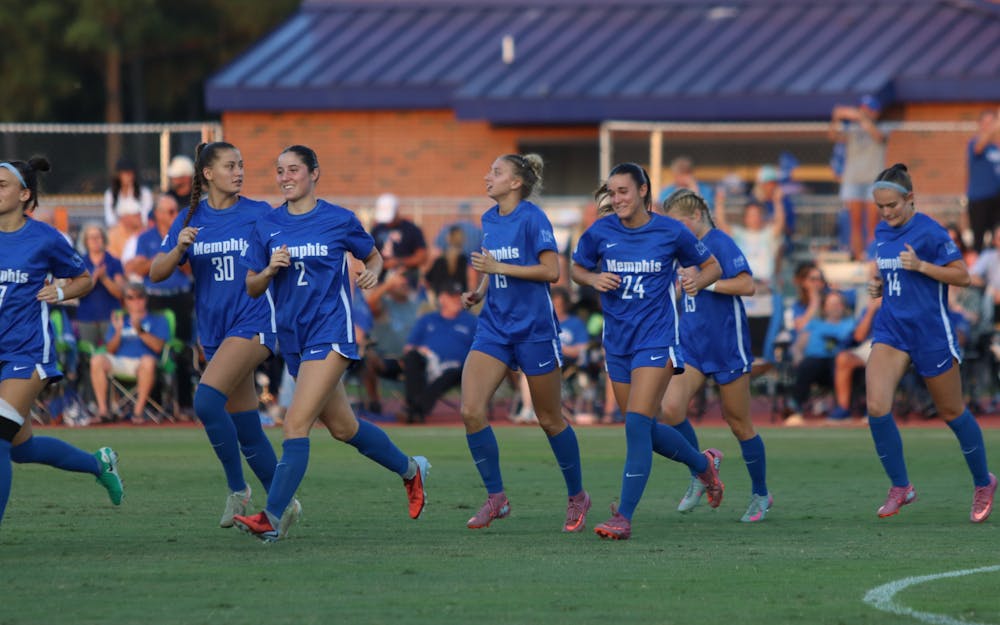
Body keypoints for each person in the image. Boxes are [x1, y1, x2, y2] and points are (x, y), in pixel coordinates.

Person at [234, 145, 429, 542]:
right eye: (279, 171)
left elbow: (373, 257)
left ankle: (272, 517)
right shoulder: (268, 225)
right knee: (344, 428)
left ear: (314, 174)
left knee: (295, 423)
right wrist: (270, 269)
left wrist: (372, 274)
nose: (285, 177)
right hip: (293, 337)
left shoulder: (339, 220)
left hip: (331, 332)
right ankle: (411, 470)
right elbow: (252, 286)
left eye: (293, 170)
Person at [571, 162, 724, 540]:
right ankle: (702, 464)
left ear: (643, 191)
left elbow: (712, 266)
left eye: (623, 191)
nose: (617, 199)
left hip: (656, 339)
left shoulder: (670, 230)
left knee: (638, 425)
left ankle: (623, 516)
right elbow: (575, 269)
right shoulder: (601, 231)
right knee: (643, 428)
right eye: (612, 192)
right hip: (617, 341)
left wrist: (695, 281)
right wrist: (593, 278)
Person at [151, 141, 287, 529]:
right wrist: (178, 246)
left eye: (241, 165)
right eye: (230, 166)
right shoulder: (190, 217)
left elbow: (286, 252)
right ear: (208, 174)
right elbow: (156, 273)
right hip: (215, 332)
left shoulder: (259, 213)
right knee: (247, 427)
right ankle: (283, 503)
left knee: (207, 402)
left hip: (254, 323)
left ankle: (236, 489)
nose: (239, 172)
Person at [459, 153, 591, 533]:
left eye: (496, 172)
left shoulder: (532, 218)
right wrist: (480, 290)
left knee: (549, 419)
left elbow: (552, 271)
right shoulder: (488, 219)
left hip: (534, 330)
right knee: (470, 410)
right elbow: (493, 265)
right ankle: (496, 498)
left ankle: (577, 496)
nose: (488, 176)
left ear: (516, 183)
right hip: (494, 328)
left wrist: (498, 269)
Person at [865, 163, 996, 522]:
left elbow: (963, 276)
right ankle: (900, 486)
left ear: (910, 199)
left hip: (930, 333)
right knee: (876, 406)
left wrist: (922, 266)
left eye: (892, 205)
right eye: (881, 206)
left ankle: (983, 481)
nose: (887, 212)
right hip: (891, 329)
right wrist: (878, 286)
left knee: (952, 412)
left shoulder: (932, 232)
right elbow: (889, 273)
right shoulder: (881, 231)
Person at [0, 157, 122, 526]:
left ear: (24, 194)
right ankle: (98, 463)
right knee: (22, 448)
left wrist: (61, 290)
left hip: (27, 352)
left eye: (2, 184)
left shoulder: (46, 238)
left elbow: (84, 279)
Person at [659, 189, 771, 523]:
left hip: (727, 345)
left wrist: (706, 283)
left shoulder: (720, 242)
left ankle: (761, 494)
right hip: (692, 344)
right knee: (670, 408)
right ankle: (701, 469)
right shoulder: (681, 248)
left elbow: (748, 285)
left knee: (738, 422)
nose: (674, 230)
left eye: (678, 222)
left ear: (695, 217)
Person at [127, 193, 195, 415]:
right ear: (158, 214)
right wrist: (164, 260)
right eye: (170, 211)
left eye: (176, 211)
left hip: (180, 296)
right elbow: (137, 268)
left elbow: (191, 268)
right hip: (155, 297)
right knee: (152, 348)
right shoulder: (145, 238)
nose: (176, 215)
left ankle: (184, 404)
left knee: (182, 349)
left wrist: (170, 256)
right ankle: (153, 405)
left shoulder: (185, 235)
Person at [395, 281, 477, 423]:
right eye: (452, 297)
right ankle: (415, 409)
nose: (456, 301)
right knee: (412, 358)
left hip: (457, 368)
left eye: (458, 297)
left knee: (450, 373)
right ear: (441, 298)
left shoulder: (471, 321)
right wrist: (421, 351)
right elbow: (409, 347)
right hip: (428, 363)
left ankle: (414, 410)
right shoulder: (427, 319)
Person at [89, 282, 170, 423]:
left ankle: (137, 413)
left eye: (140, 297)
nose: (136, 301)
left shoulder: (158, 319)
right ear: (125, 301)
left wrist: (140, 331)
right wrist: (118, 332)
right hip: (120, 361)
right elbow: (110, 350)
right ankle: (103, 411)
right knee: (97, 360)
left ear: (146, 299)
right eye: (130, 298)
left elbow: (158, 347)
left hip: (143, 364)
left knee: (148, 361)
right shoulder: (120, 320)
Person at [784, 290, 856, 425]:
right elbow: (798, 346)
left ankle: (843, 409)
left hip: (839, 364)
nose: (834, 307)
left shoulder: (851, 323)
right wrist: (797, 357)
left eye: (837, 304)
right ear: (824, 307)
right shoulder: (815, 323)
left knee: (842, 363)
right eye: (830, 304)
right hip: (814, 363)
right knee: (808, 364)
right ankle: (795, 407)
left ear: (843, 306)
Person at [830, 95, 886, 260]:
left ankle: (873, 257)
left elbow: (878, 137)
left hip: (873, 181)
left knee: (873, 223)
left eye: (868, 110)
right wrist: (836, 117)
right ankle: (859, 256)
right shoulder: (852, 129)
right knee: (855, 222)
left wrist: (861, 117)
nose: (864, 112)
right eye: (863, 109)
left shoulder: (882, 127)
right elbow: (834, 136)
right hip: (853, 179)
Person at [75, 222, 126, 347]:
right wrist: (93, 279)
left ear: (104, 238)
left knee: (111, 354)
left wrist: (104, 279)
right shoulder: (79, 263)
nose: (95, 240)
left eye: (98, 237)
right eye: (91, 237)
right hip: (86, 318)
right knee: (87, 356)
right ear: (86, 241)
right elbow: (76, 292)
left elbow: (120, 293)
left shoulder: (114, 262)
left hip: (110, 317)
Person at [370, 192, 428, 288]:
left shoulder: (411, 229)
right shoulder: (377, 229)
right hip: (381, 283)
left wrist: (399, 262)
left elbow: (422, 256)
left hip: (406, 283)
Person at [103, 157, 154, 228]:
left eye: (131, 173)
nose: (128, 176)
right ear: (118, 175)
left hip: (139, 230)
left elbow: (146, 216)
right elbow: (109, 218)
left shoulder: (145, 193)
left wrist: (132, 220)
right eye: (125, 173)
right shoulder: (110, 194)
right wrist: (123, 221)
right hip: (119, 230)